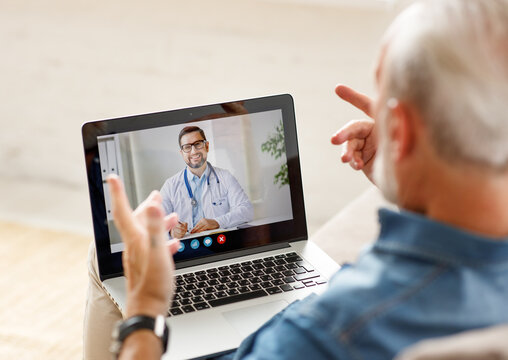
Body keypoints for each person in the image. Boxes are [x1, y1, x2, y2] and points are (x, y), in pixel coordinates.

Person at [86, 0, 508, 358]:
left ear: (403, 130)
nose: (193, 152)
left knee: (101, 253)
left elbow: (243, 211)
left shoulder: (321, 334)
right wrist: (414, 173)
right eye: (186, 148)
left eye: (385, 101)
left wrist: (145, 312)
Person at [160, 126, 254, 238]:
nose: (194, 151)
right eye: (187, 147)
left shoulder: (225, 177)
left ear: (207, 146)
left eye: (198, 144)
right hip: (187, 250)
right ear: (182, 153)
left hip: (221, 245)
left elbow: (247, 210)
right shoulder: (170, 185)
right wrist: (170, 231)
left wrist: (217, 222)